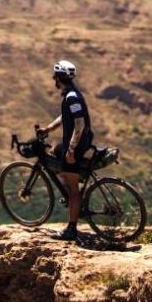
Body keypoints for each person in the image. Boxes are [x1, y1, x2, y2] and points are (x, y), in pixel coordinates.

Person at [39, 59, 94, 240]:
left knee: (72, 189)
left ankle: (71, 229)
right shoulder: (71, 94)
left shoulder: (71, 97)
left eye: (55, 77)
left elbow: (79, 124)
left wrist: (71, 150)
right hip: (78, 142)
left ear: (58, 78)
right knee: (56, 150)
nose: (54, 80)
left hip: (77, 144)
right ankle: (72, 189)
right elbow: (65, 117)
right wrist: (48, 129)